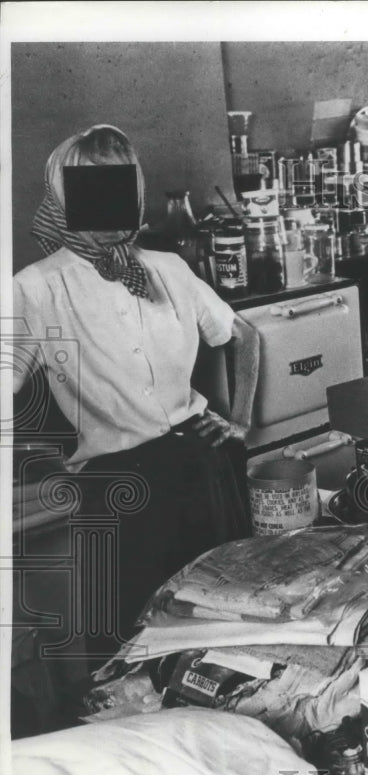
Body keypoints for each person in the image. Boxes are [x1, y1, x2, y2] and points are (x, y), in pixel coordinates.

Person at [11, 124, 260, 662]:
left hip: (203, 465)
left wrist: (239, 419)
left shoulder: (167, 268)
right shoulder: (34, 288)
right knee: (131, 646)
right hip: (117, 487)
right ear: (62, 197)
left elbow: (243, 334)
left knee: (225, 634)